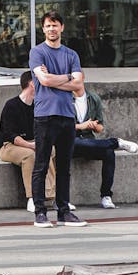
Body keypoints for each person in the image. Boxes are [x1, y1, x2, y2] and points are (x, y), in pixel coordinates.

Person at [29, 12, 87, 228]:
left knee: (64, 166)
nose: (51, 29)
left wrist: (54, 79)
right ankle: (40, 212)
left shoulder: (71, 54)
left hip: (67, 115)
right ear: (43, 29)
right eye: (47, 26)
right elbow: (43, 79)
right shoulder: (37, 52)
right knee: (41, 165)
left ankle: (64, 211)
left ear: (62, 27)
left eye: (55, 25)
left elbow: (79, 85)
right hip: (45, 116)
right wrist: (68, 78)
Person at [72, 74, 138, 209]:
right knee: (77, 142)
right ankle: (116, 142)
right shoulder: (64, 99)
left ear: (83, 78)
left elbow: (100, 127)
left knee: (108, 153)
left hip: (89, 140)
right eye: (71, 79)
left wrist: (94, 126)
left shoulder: (93, 99)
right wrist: (81, 126)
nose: (74, 81)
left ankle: (106, 196)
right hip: (70, 141)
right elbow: (62, 126)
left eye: (76, 78)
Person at [0, 69, 56, 212]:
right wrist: (31, 146)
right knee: (30, 155)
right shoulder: (11, 105)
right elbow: (10, 135)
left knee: (50, 149)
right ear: (32, 84)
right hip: (9, 146)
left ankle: (52, 197)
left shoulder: (38, 105)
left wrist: (41, 143)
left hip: (31, 142)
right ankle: (32, 198)